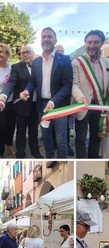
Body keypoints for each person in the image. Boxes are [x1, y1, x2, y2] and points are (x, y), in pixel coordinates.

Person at [72, 30, 109, 158]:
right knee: (81, 138)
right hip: (83, 105)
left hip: (100, 105)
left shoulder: (105, 62)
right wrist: (80, 97)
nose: (92, 45)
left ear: (102, 43)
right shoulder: (77, 62)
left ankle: (92, 159)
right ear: (85, 43)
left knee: (96, 137)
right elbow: (74, 85)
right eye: (89, 42)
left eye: (96, 42)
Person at [20, 27, 73, 158]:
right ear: (41, 40)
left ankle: (62, 162)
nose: (46, 39)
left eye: (49, 36)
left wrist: (53, 101)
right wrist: (27, 90)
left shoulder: (65, 59)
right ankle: (49, 160)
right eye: (43, 37)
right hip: (42, 106)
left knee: (61, 140)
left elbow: (67, 85)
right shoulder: (36, 62)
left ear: (55, 40)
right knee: (46, 137)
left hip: (59, 105)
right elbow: (33, 81)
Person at [0, 45, 43, 159]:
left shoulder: (39, 66)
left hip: (36, 104)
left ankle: (35, 151)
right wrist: (3, 95)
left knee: (34, 131)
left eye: (27, 52)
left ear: (33, 53)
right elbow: (11, 83)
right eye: (22, 53)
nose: (24, 55)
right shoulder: (16, 67)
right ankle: (20, 153)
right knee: (21, 131)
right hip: (21, 105)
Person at [0, 43, 16, 158]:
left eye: (0, 52)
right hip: (0, 104)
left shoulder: (13, 68)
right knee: (2, 127)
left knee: (11, 126)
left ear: (7, 53)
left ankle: (9, 145)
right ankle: (1, 151)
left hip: (13, 101)